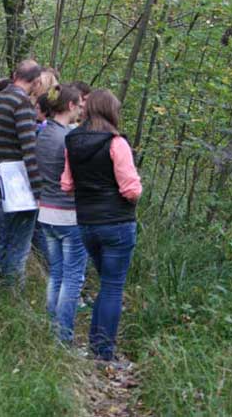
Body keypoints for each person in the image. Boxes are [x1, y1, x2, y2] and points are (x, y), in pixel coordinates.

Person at [61, 89, 142, 361]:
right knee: (112, 287)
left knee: (107, 285)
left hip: (86, 224)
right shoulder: (116, 143)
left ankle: (97, 347)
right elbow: (131, 190)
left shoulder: (72, 141)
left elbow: (67, 185)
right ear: (110, 111)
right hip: (117, 223)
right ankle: (103, 354)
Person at [0, 59, 43, 290]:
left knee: (4, 239)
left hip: (1, 179)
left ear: (15, 74)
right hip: (21, 184)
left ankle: (0, 288)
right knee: (20, 245)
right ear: (36, 81)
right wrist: (38, 190)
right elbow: (30, 150)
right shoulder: (22, 103)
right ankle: (13, 294)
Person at [36, 84, 88, 344]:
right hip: (68, 214)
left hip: (46, 213)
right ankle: (63, 338)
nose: (81, 109)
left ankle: (52, 330)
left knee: (56, 273)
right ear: (70, 106)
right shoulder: (67, 139)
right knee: (72, 278)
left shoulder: (44, 134)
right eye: (79, 105)